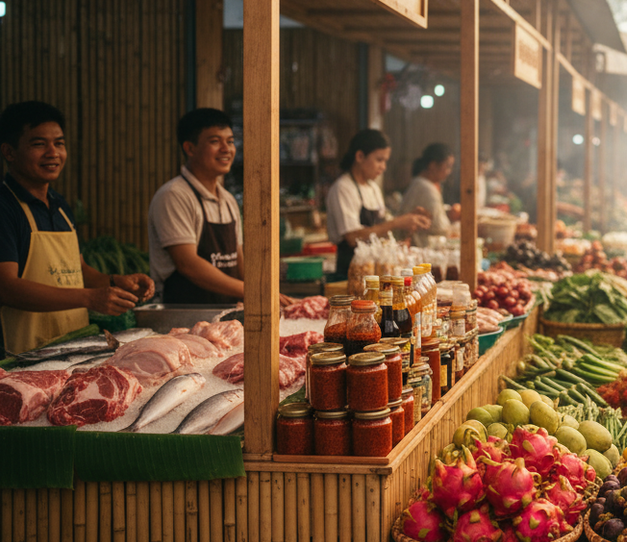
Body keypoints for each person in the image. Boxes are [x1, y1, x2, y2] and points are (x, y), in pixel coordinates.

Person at [0, 101, 154, 355]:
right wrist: (89, 298)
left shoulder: (59, 205)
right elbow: (6, 287)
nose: (53, 153)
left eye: (59, 143)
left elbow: (77, 269)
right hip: (20, 357)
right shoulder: (6, 207)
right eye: (39, 144)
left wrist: (116, 281)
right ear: (9, 152)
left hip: (72, 345)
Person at [148, 108, 291, 305]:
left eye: (230, 141)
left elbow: (237, 257)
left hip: (226, 316)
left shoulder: (228, 199)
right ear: (190, 148)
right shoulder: (174, 195)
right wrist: (250, 290)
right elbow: (188, 264)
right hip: (184, 317)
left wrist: (262, 292)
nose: (226, 149)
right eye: (215, 141)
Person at [326, 129, 430, 280]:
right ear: (360, 156)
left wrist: (408, 220)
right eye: (379, 160)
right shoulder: (343, 188)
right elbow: (352, 237)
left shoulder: (373, 188)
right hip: (350, 272)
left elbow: (383, 226)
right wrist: (396, 223)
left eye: (385, 161)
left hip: (375, 272)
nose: (383, 167)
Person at [398, 143, 459, 247]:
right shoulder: (425, 187)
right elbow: (440, 227)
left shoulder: (421, 183)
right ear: (433, 165)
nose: (449, 172)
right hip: (419, 245)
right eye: (447, 166)